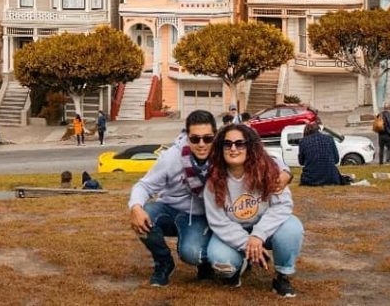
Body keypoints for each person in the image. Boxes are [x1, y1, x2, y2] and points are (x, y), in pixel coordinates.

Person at [128, 110, 293, 288]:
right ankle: (163, 263)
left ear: (215, 137)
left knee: (193, 253)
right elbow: (144, 185)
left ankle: (210, 261)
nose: (201, 144)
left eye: (207, 139)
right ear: (187, 137)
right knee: (145, 216)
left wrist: (285, 171)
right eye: (195, 139)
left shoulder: (224, 151)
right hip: (171, 208)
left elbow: (260, 153)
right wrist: (136, 207)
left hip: (203, 215)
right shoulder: (171, 158)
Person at [204, 123, 304, 298]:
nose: (233, 149)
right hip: (234, 230)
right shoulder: (213, 180)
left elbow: (282, 205)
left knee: (292, 229)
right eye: (227, 144)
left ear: (250, 146)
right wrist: (247, 243)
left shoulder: (268, 170)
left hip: (264, 227)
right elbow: (218, 221)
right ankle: (238, 266)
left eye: (240, 144)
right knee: (220, 260)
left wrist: (258, 235)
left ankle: (282, 275)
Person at [297, 121, 343, 186]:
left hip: (310, 179)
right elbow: (336, 160)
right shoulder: (329, 139)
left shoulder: (303, 142)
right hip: (331, 178)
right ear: (319, 129)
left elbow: (301, 162)